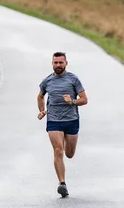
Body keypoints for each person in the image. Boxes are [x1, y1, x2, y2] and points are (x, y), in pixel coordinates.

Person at [37, 52, 88, 197]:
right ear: (52, 64)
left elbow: (84, 100)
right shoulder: (47, 81)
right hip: (54, 120)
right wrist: (41, 111)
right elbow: (40, 96)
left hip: (71, 120)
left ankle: (66, 143)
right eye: (55, 63)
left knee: (69, 154)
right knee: (58, 150)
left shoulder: (73, 79)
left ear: (66, 63)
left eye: (61, 63)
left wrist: (72, 101)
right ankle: (62, 184)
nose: (58, 65)